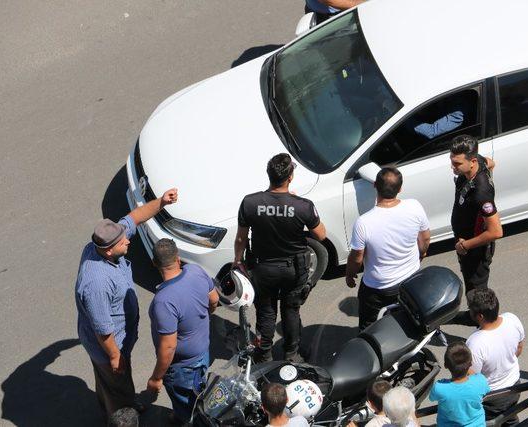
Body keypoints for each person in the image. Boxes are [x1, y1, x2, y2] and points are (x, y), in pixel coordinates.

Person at [75, 187, 178, 418]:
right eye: (124, 242)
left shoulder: (104, 244)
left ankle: (111, 402)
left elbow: (134, 218)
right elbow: (103, 329)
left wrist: (161, 202)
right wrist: (115, 357)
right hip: (110, 347)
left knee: (109, 383)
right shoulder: (97, 284)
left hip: (115, 341)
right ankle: (122, 416)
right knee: (117, 385)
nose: (128, 242)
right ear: (109, 251)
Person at [234, 153, 326, 363]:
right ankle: (292, 355)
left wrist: (238, 260)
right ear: (290, 178)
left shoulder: (250, 202)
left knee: (265, 313)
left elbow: (241, 239)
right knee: (291, 310)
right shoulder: (303, 205)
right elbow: (321, 235)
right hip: (294, 269)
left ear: (269, 175)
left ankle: (263, 355)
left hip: (263, 269)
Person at [345, 167, 430, 331]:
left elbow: (357, 257)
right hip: (410, 279)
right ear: (400, 188)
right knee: (407, 320)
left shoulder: (364, 222)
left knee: (369, 327)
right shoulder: (414, 206)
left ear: (375, 185)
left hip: (378, 288)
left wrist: (350, 274)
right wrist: (422, 252)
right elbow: (425, 238)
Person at [146, 239, 219, 425]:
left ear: (154, 263)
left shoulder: (164, 301)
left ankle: (186, 419)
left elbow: (169, 346)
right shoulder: (196, 271)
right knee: (198, 393)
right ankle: (182, 415)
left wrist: (156, 378)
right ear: (178, 258)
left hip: (182, 368)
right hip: (202, 353)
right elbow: (214, 300)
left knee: (188, 406)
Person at [449, 134, 501, 325]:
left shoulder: (482, 193)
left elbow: (496, 231)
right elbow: (491, 162)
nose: (453, 167)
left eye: (457, 164)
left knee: (477, 293)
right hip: (466, 243)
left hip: (475, 250)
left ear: (471, 162)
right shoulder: (478, 160)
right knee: (473, 288)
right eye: (452, 162)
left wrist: (466, 245)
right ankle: (475, 314)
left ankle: (483, 323)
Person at [466, 288, 525, 425]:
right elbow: (519, 348)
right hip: (515, 386)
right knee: (510, 417)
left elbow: (473, 378)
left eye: (470, 308)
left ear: (480, 316)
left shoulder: (475, 343)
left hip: (492, 397)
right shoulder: (512, 319)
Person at [429, 342, 490, 427]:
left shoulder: (440, 388)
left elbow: (431, 398)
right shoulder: (480, 381)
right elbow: (486, 389)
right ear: (471, 364)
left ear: (445, 365)